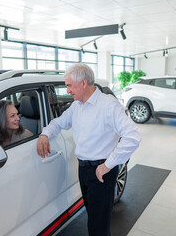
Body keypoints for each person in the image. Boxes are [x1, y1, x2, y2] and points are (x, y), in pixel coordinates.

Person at [36, 63, 141, 236]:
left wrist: (108, 165)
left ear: (83, 83)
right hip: (84, 168)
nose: (67, 90)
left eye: (69, 85)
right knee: (93, 217)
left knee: (98, 226)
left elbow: (133, 137)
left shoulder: (108, 105)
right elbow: (58, 123)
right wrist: (44, 134)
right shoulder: (77, 106)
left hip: (101, 171)